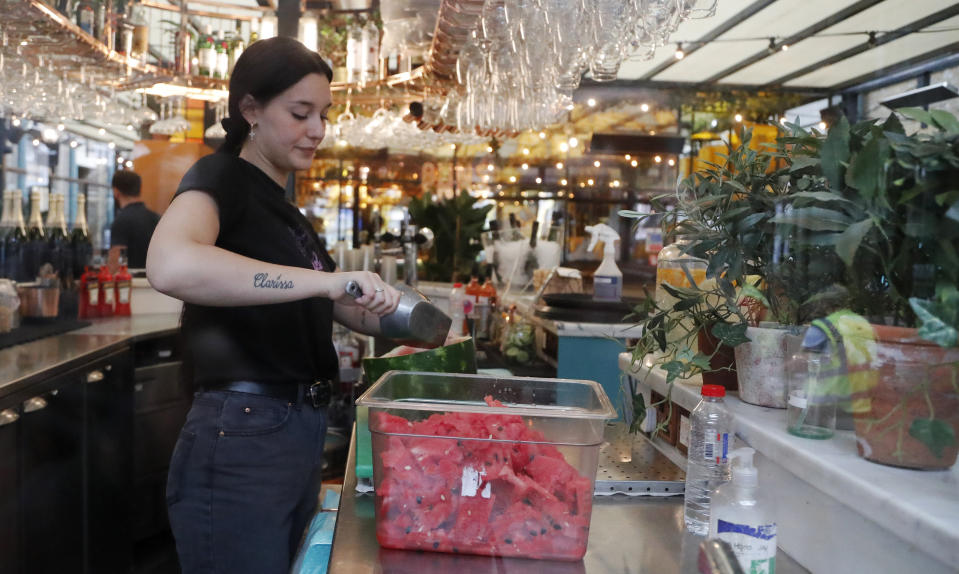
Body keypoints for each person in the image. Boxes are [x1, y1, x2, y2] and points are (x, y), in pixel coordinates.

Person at [146, 37, 401, 574]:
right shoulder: (220, 179)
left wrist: (410, 318)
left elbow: (333, 300)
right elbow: (170, 266)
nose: (318, 130)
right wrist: (326, 285)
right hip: (243, 432)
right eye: (300, 113)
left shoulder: (283, 209)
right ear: (251, 110)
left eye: (323, 114)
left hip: (289, 430)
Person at [109, 169, 159, 269]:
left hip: (130, 282)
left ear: (116, 192)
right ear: (139, 190)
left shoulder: (121, 221)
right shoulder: (157, 218)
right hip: (156, 280)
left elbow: (115, 263)